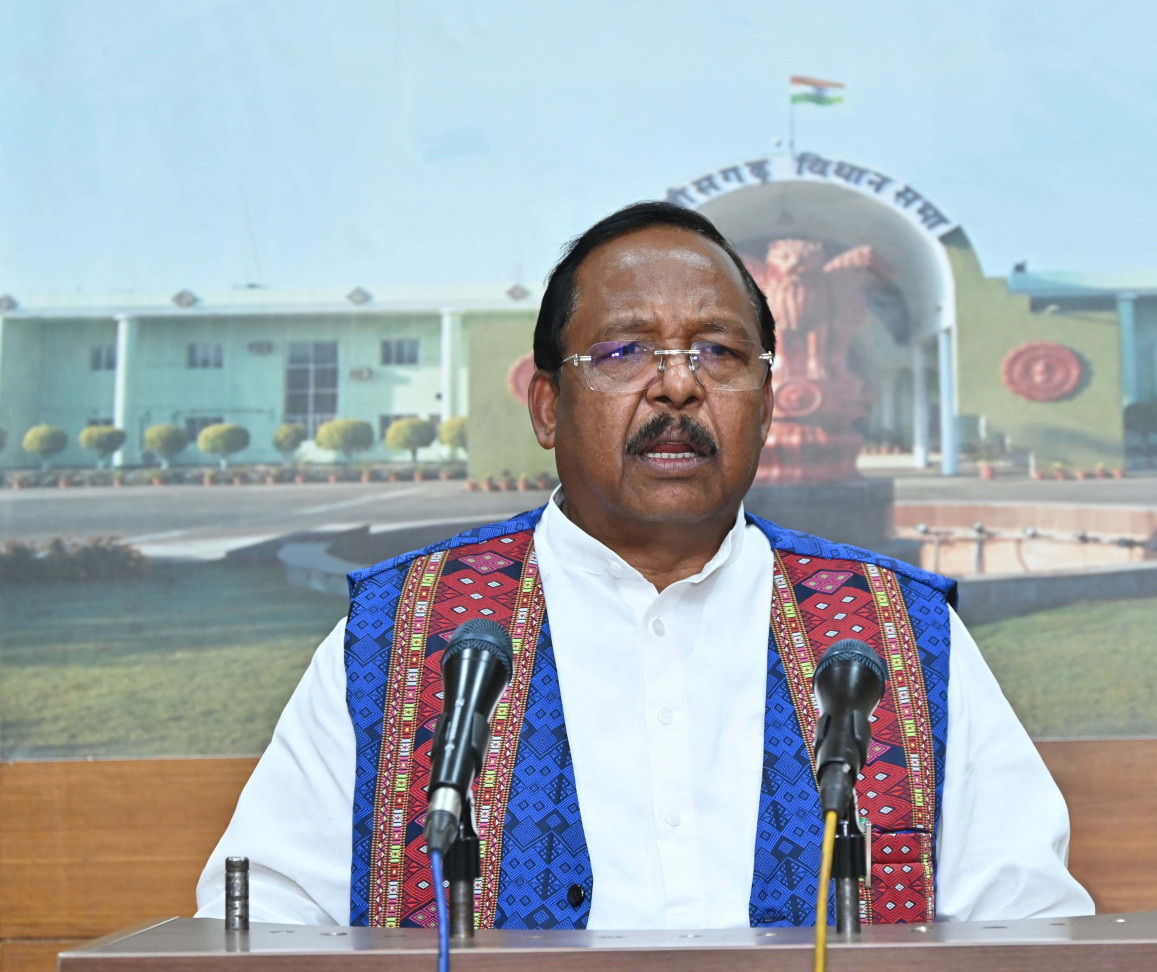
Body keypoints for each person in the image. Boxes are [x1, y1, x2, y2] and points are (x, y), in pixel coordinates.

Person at [196, 202, 1093, 930]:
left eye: (719, 353)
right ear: (547, 406)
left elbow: (1025, 924)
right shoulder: (406, 635)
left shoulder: (896, 636)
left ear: (767, 404)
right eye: (625, 351)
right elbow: (264, 919)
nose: (677, 385)